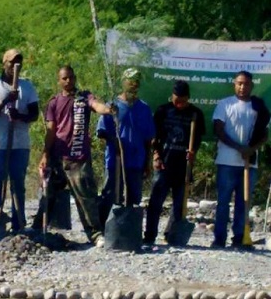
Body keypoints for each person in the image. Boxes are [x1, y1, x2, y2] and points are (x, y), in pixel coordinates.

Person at [39, 65, 115, 247]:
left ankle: (95, 234)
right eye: (64, 78)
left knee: (86, 197)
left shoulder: (83, 98)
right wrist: (45, 154)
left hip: (78, 157)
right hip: (58, 156)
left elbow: (96, 106)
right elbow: (51, 130)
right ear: (59, 80)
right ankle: (38, 230)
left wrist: (107, 109)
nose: (68, 81)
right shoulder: (54, 102)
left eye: (71, 77)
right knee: (48, 195)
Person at [0, 48, 39, 232]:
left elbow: (35, 114)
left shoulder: (27, 86)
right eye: (12, 62)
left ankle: (18, 223)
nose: (15, 65)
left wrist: (19, 116)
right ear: (4, 63)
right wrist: (6, 100)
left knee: (18, 185)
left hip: (20, 144)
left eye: (18, 62)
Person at [211, 71, 269, 249]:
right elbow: (218, 130)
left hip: (249, 163)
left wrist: (251, 149)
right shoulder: (225, 104)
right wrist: (238, 147)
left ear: (251, 85)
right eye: (239, 83)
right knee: (223, 202)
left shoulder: (258, 107)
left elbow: (265, 134)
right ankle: (219, 239)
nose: (242, 87)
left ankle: (240, 238)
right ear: (234, 84)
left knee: (243, 203)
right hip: (227, 161)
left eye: (246, 84)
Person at [143, 80, 206, 245]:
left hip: (183, 167)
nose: (179, 104)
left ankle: (171, 235)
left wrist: (193, 153)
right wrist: (156, 156)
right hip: (164, 164)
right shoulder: (163, 111)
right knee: (155, 203)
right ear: (172, 96)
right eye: (177, 100)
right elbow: (153, 137)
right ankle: (149, 235)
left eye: (183, 101)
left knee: (179, 206)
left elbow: (198, 139)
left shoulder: (196, 114)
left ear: (188, 98)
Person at [96, 68, 155, 227]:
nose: (133, 85)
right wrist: (113, 140)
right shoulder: (112, 106)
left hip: (136, 161)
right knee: (110, 195)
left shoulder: (144, 108)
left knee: (134, 198)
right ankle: (104, 229)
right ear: (123, 82)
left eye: (136, 81)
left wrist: (147, 163)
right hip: (115, 161)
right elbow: (101, 132)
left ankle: (129, 230)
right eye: (130, 81)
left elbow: (148, 139)